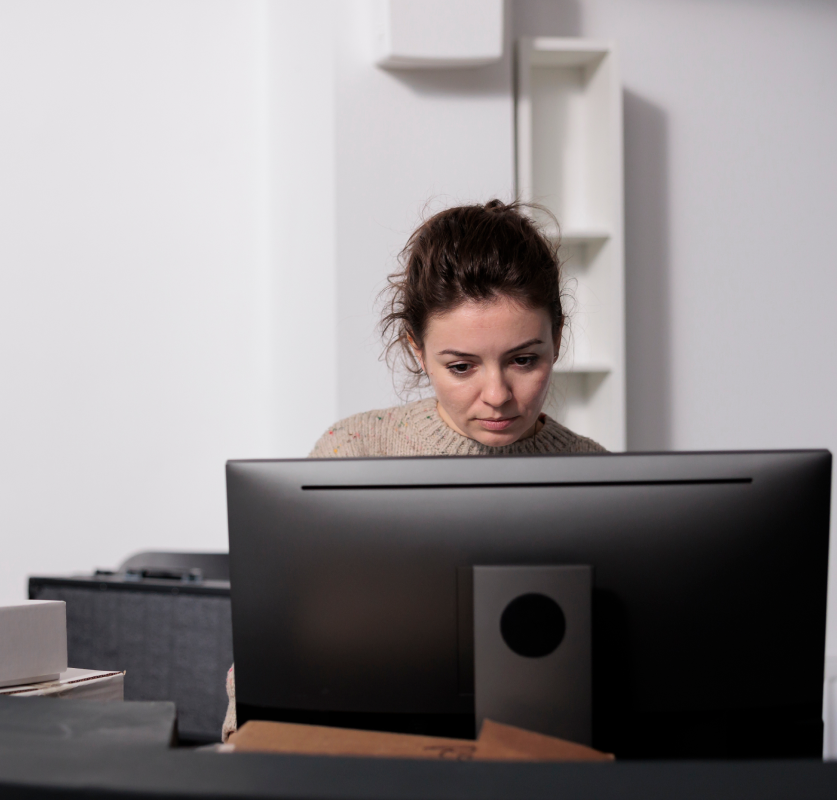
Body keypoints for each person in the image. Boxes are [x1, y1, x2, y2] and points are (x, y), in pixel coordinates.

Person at [221, 198, 606, 741]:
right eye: (461, 366)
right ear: (417, 349)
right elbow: (275, 643)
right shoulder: (353, 451)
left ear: (557, 341)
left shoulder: (594, 474)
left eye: (524, 360)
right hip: (373, 757)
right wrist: (251, 746)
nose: (497, 395)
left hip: (543, 759)